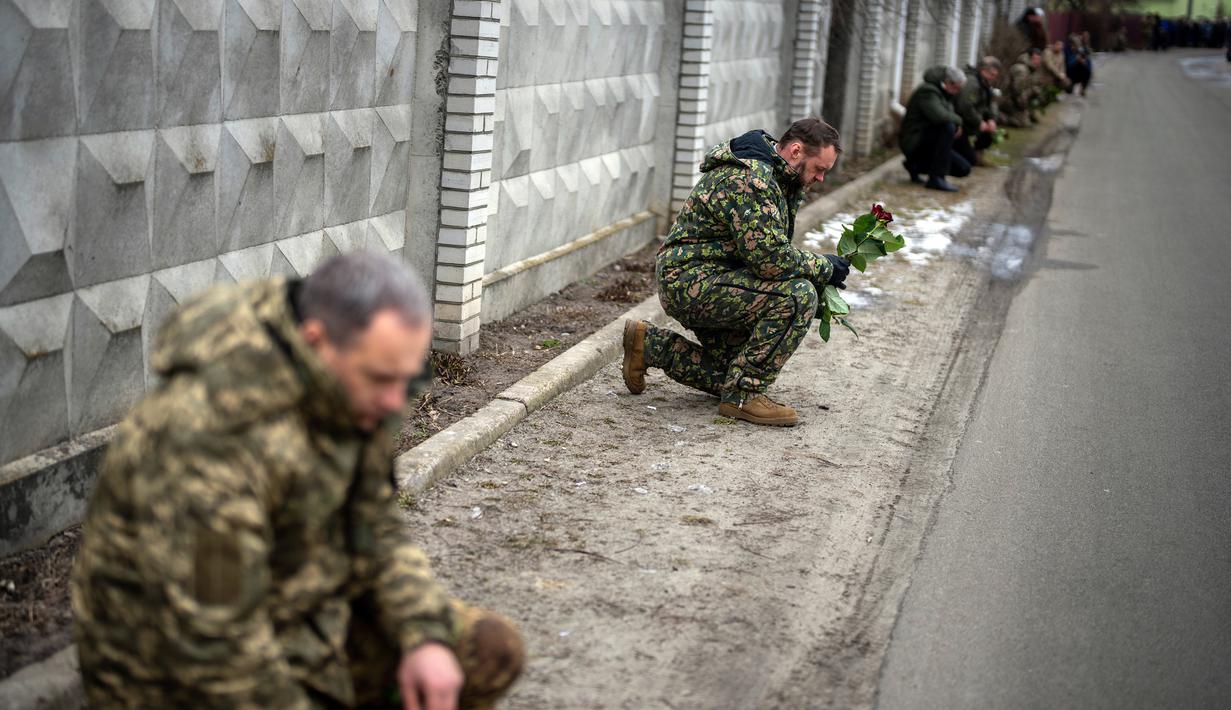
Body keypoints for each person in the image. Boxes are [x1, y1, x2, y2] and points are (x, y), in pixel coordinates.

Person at [71, 252, 524, 709]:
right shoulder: (210, 435)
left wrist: (423, 635)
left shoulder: (353, 393)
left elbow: (376, 527)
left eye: (405, 380)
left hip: (301, 619)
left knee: (486, 651)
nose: (394, 402)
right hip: (174, 675)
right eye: (382, 379)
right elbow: (217, 648)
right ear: (316, 341)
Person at [620, 118, 848, 427]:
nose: (820, 178)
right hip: (692, 281)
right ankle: (743, 397)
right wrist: (824, 267)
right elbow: (769, 259)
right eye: (819, 169)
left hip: (715, 278)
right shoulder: (752, 180)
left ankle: (650, 345)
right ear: (796, 151)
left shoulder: (779, 178)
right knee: (798, 295)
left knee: (733, 371)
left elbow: (766, 253)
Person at [899, 65, 970, 192]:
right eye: (956, 88)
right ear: (948, 82)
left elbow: (948, 114)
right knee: (948, 127)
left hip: (930, 142)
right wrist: (958, 121)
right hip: (915, 140)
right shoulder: (928, 91)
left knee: (963, 168)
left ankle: (915, 166)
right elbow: (940, 116)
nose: (957, 92)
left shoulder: (945, 94)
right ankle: (936, 178)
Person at [955, 56, 1002, 168]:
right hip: (961, 122)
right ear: (984, 71)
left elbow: (991, 103)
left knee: (990, 131)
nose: (993, 78)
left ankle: (978, 156)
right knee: (968, 161)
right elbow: (964, 107)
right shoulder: (972, 83)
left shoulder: (985, 83)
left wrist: (991, 119)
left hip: (973, 119)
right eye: (992, 75)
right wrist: (979, 122)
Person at [1002, 50, 1043, 127]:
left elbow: (1033, 85)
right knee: (1021, 124)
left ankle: (1024, 115)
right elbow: (1017, 91)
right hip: (1009, 100)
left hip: (1018, 100)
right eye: (1036, 59)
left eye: (1039, 59)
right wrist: (1023, 109)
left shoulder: (1031, 69)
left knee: (1035, 91)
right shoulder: (1022, 70)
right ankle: (1003, 116)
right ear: (1030, 58)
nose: (1038, 62)